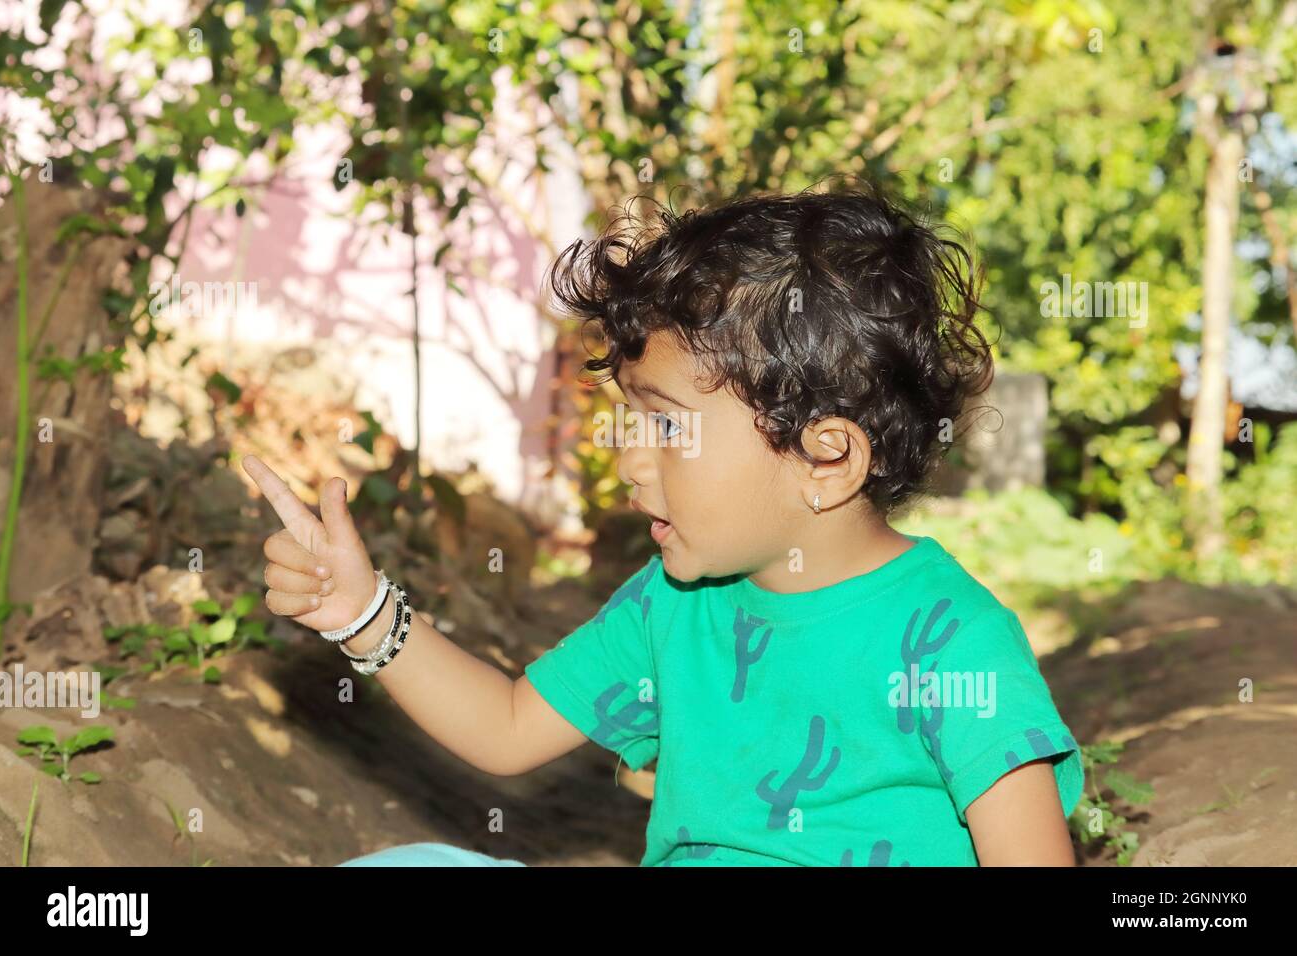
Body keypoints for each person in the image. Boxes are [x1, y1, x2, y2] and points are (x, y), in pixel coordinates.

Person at [244, 179, 1083, 867]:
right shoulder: (675, 601)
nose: (631, 460)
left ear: (827, 459)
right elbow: (505, 727)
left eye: (667, 425)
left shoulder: (949, 640)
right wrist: (362, 613)